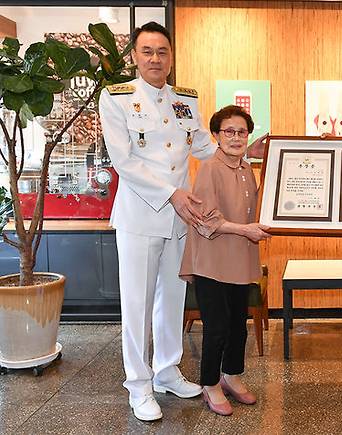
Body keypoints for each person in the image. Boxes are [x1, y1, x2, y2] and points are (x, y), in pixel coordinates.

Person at [99, 22, 216, 421]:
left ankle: (167, 370)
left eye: (162, 51)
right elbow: (124, 160)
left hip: (179, 220)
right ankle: (138, 384)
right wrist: (172, 193)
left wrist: (238, 148)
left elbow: (201, 143)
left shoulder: (184, 99)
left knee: (173, 297)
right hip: (140, 216)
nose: (155, 58)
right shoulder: (116, 99)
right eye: (147, 51)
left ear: (170, 57)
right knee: (138, 304)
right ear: (134, 56)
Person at [179, 105, 271, 416]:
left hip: (240, 259)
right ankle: (210, 384)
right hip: (211, 261)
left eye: (241, 132)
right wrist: (245, 230)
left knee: (237, 326)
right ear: (217, 136)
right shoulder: (210, 168)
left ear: (248, 136)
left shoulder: (245, 169)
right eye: (228, 132)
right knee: (217, 326)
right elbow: (206, 220)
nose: (235, 137)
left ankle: (231, 376)